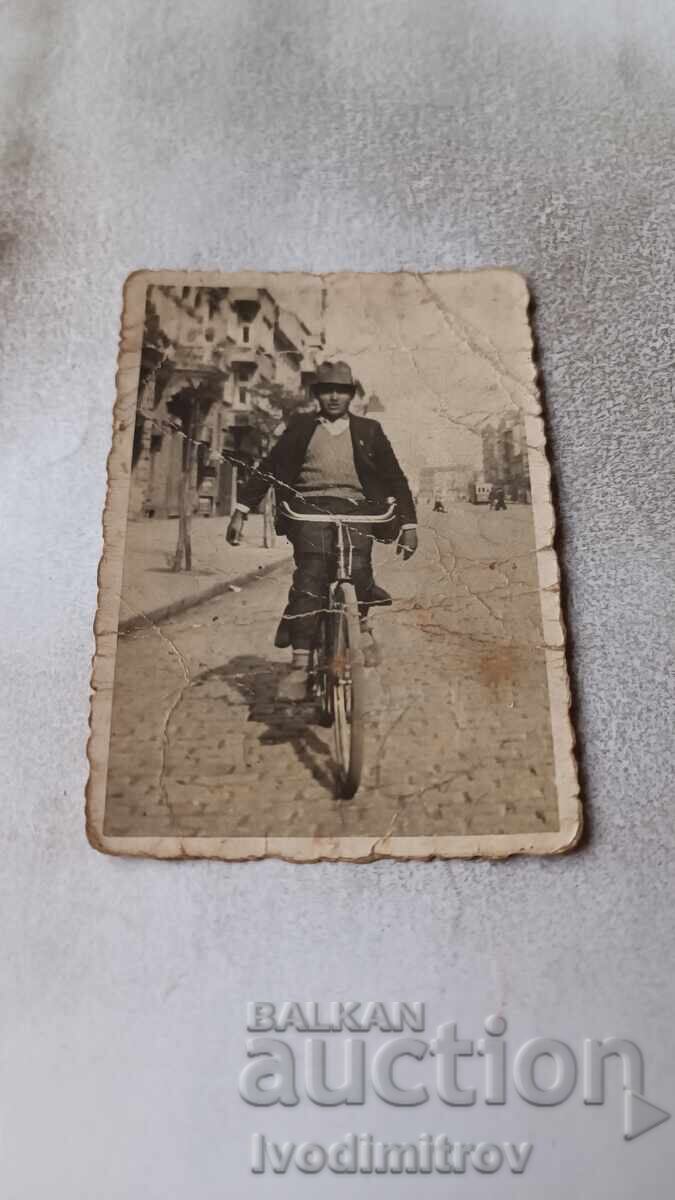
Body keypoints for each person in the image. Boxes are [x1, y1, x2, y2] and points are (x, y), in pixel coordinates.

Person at [226, 361, 418, 700]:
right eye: (327, 390)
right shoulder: (301, 427)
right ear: (317, 394)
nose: (334, 397)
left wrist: (409, 524)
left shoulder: (369, 430)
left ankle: (359, 623)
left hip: (358, 509)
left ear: (351, 395)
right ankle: (300, 666)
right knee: (311, 577)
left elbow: (394, 477)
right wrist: (241, 509)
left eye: (341, 391)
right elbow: (269, 467)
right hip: (308, 508)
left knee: (358, 567)